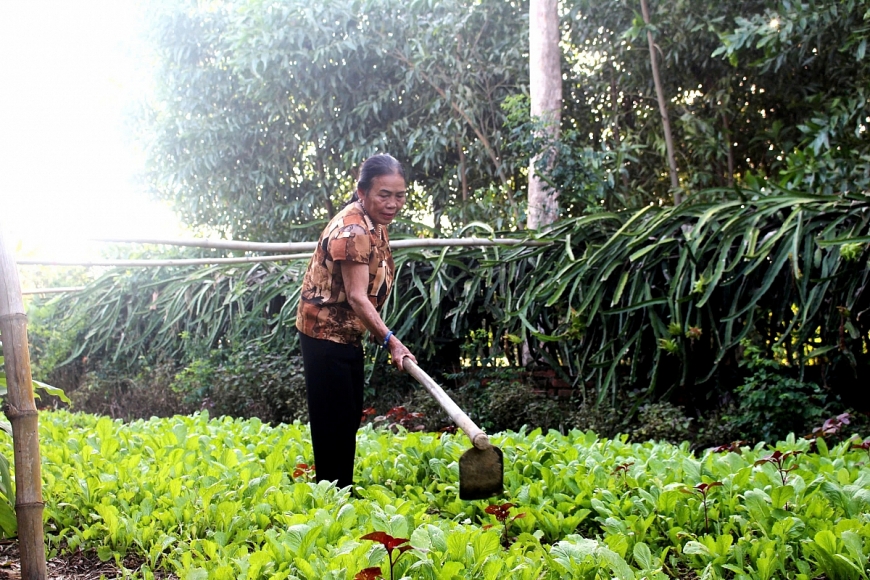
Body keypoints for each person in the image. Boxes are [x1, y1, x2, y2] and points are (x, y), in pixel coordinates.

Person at [295, 153, 417, 489]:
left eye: (400, 195)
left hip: (347, 333)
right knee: (333, 420)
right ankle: (331, 495)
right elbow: (357, 296)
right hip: (324, 333)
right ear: (362, 192)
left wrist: (378, 331)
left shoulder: (374, 222)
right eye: (384, 195)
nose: (393, 204)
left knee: (346, 415)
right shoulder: (353, 229)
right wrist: (391, 341)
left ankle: (340, 490)